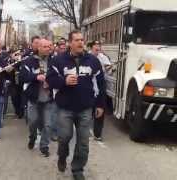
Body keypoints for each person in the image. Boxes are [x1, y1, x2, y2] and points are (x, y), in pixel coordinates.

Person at [46, 30, 106, 180]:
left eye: (82, 40)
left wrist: (100, 105)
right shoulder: (58, 60)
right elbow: (50, 80)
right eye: (77, 40)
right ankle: (62, 155)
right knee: (65, 137)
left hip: (85, 108)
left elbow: (101, 83)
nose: (80, 43)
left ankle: (77, 169)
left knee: (83, 142)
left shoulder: (93, 60)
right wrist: (64, 82)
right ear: (70, 43)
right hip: (65, 108)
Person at [20, 39, 53, 157]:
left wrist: (50, 82)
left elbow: (58, 76)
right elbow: (23, 77)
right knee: (33, 122)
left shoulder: (54, 61)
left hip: (48, 99)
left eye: (49, 47)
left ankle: (44, 146)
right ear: (38, 47)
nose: (47, 49)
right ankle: (32, 137)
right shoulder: (29, 61)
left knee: (48, 125)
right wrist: (36, 77)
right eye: (44, 47)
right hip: (33, 98)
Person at [88, 40, 112, 141]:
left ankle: (97, 134)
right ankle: (86, 129)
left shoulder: (103, 57)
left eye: (99, 46)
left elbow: (109, 69)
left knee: (100, 109)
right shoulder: (86, 57)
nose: (98, 48)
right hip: (89, 87)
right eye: (96, 46)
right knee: (89, 110)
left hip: (100, 84)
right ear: (91, 47)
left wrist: (109, 68)